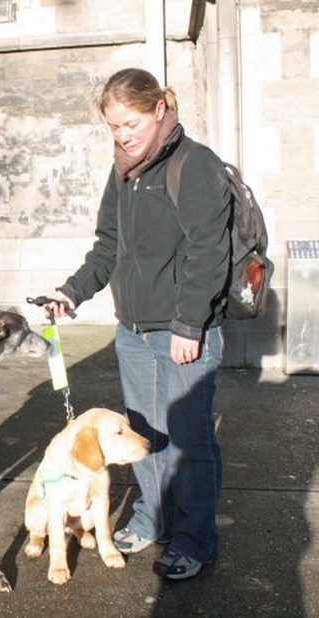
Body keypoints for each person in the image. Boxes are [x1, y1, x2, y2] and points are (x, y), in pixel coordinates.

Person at [45, 68, 231, 581]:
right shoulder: (124, 169)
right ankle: (154, 518)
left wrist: (190, 324)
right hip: (133, 330)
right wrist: (71, 292)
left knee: (190, 441)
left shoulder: (196, 165)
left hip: (182, 333)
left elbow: (209, 253)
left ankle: (195, 540)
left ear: (158, 109)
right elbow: (108, 245)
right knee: (142, 438)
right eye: (113, 128)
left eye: (130, 123)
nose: (123, 135)